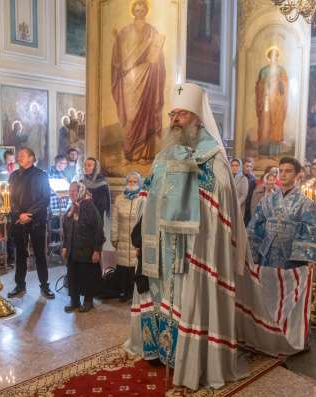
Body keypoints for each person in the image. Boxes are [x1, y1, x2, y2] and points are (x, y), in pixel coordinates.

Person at [125, 83, 249, 390]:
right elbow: (148, 188)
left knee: (184, 301)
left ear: (196, 117)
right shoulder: (164, 155)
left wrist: (188, 181)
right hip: (160, 244)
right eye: (173, 113)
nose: (175, 119)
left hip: (193, 248)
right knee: (158, 297)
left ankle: (188, 359)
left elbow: (219, 201)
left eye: (181, 113)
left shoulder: (213, 156)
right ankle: (159, 350)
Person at [111, 0, 166, 163]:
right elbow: (118, 57)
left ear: (146, 11)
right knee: (130, 116)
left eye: (142, 10)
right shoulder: (125, 31)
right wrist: (116, 40)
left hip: (148, 76)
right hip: (129, 79)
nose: (139, 12)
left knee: (146, 113)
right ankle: (129, 153)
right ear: (133, 11)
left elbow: (158, 56)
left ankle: (144, 154)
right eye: (137, 9)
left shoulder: (152, 31)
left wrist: (155, 61)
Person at [249, 157, 316, 269]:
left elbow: (312, 231)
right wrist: (252, 253)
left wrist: (309, 258)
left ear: (297, 175)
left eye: (288, 171)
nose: (283, 174)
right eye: (281, 171)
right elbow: (255, 226)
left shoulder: (306, 204)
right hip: (267, 257)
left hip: (292, 260)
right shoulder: (266, 201)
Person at [7, 148, 55, 299]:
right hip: (18, 220)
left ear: (31, 158)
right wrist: (19, 214)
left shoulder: (41, 175)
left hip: (36, 221)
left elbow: (45, 198)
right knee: (20, 254)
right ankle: (20, 285)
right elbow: (10, 198)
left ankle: (44, 285)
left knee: (40, 253)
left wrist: (29, 214)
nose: (18, 157)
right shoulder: (14, 176)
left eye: (22, 155)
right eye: (18, 155)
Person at [62, 182, 105, 312]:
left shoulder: (89, 206)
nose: (71, 193)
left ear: (81, 191)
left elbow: (98, 230)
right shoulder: (71, 207)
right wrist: (65, 247)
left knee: (87, 277)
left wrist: (97, 250)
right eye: (70, 191)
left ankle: (88, 301)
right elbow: (66, 229)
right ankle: (74, 301)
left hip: (87, 250)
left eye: (74, 191)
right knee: (73, 277)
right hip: (72, 250)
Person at [111, 172, 143, 302]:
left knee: (135, 268)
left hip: (136, 240)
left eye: (135, 182)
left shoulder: (143, 198)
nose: (132, 184)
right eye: (129, 181)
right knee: (123, 268)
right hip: (122, 238)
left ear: (139, 183)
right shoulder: (119, 199)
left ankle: (135, 294)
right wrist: (114, 237)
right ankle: (125, 292)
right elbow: (114, 220)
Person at [242, 157, 256, 226]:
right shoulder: (238, 177)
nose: (248, 168)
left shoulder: (253, 180)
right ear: (243, 166)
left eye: (250, 166)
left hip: (248, 208)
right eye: (247, 166)